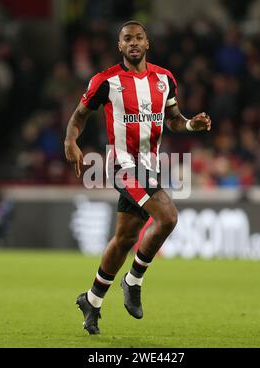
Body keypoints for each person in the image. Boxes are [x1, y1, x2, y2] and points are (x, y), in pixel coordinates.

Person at [64, 20, 211, 335]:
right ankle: (133, 281)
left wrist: (190, 126)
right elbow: (78, 117)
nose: (133, 42)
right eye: (126, 38)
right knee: (168, 217)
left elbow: (173, 119)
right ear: (119, 46)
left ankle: (92, 299)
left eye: (138, 37)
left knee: (125, 239)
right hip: (123, 167)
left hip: (151, 166)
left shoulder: (164, 79)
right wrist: (70, 141)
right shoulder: (105, 81)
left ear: (148, 43)